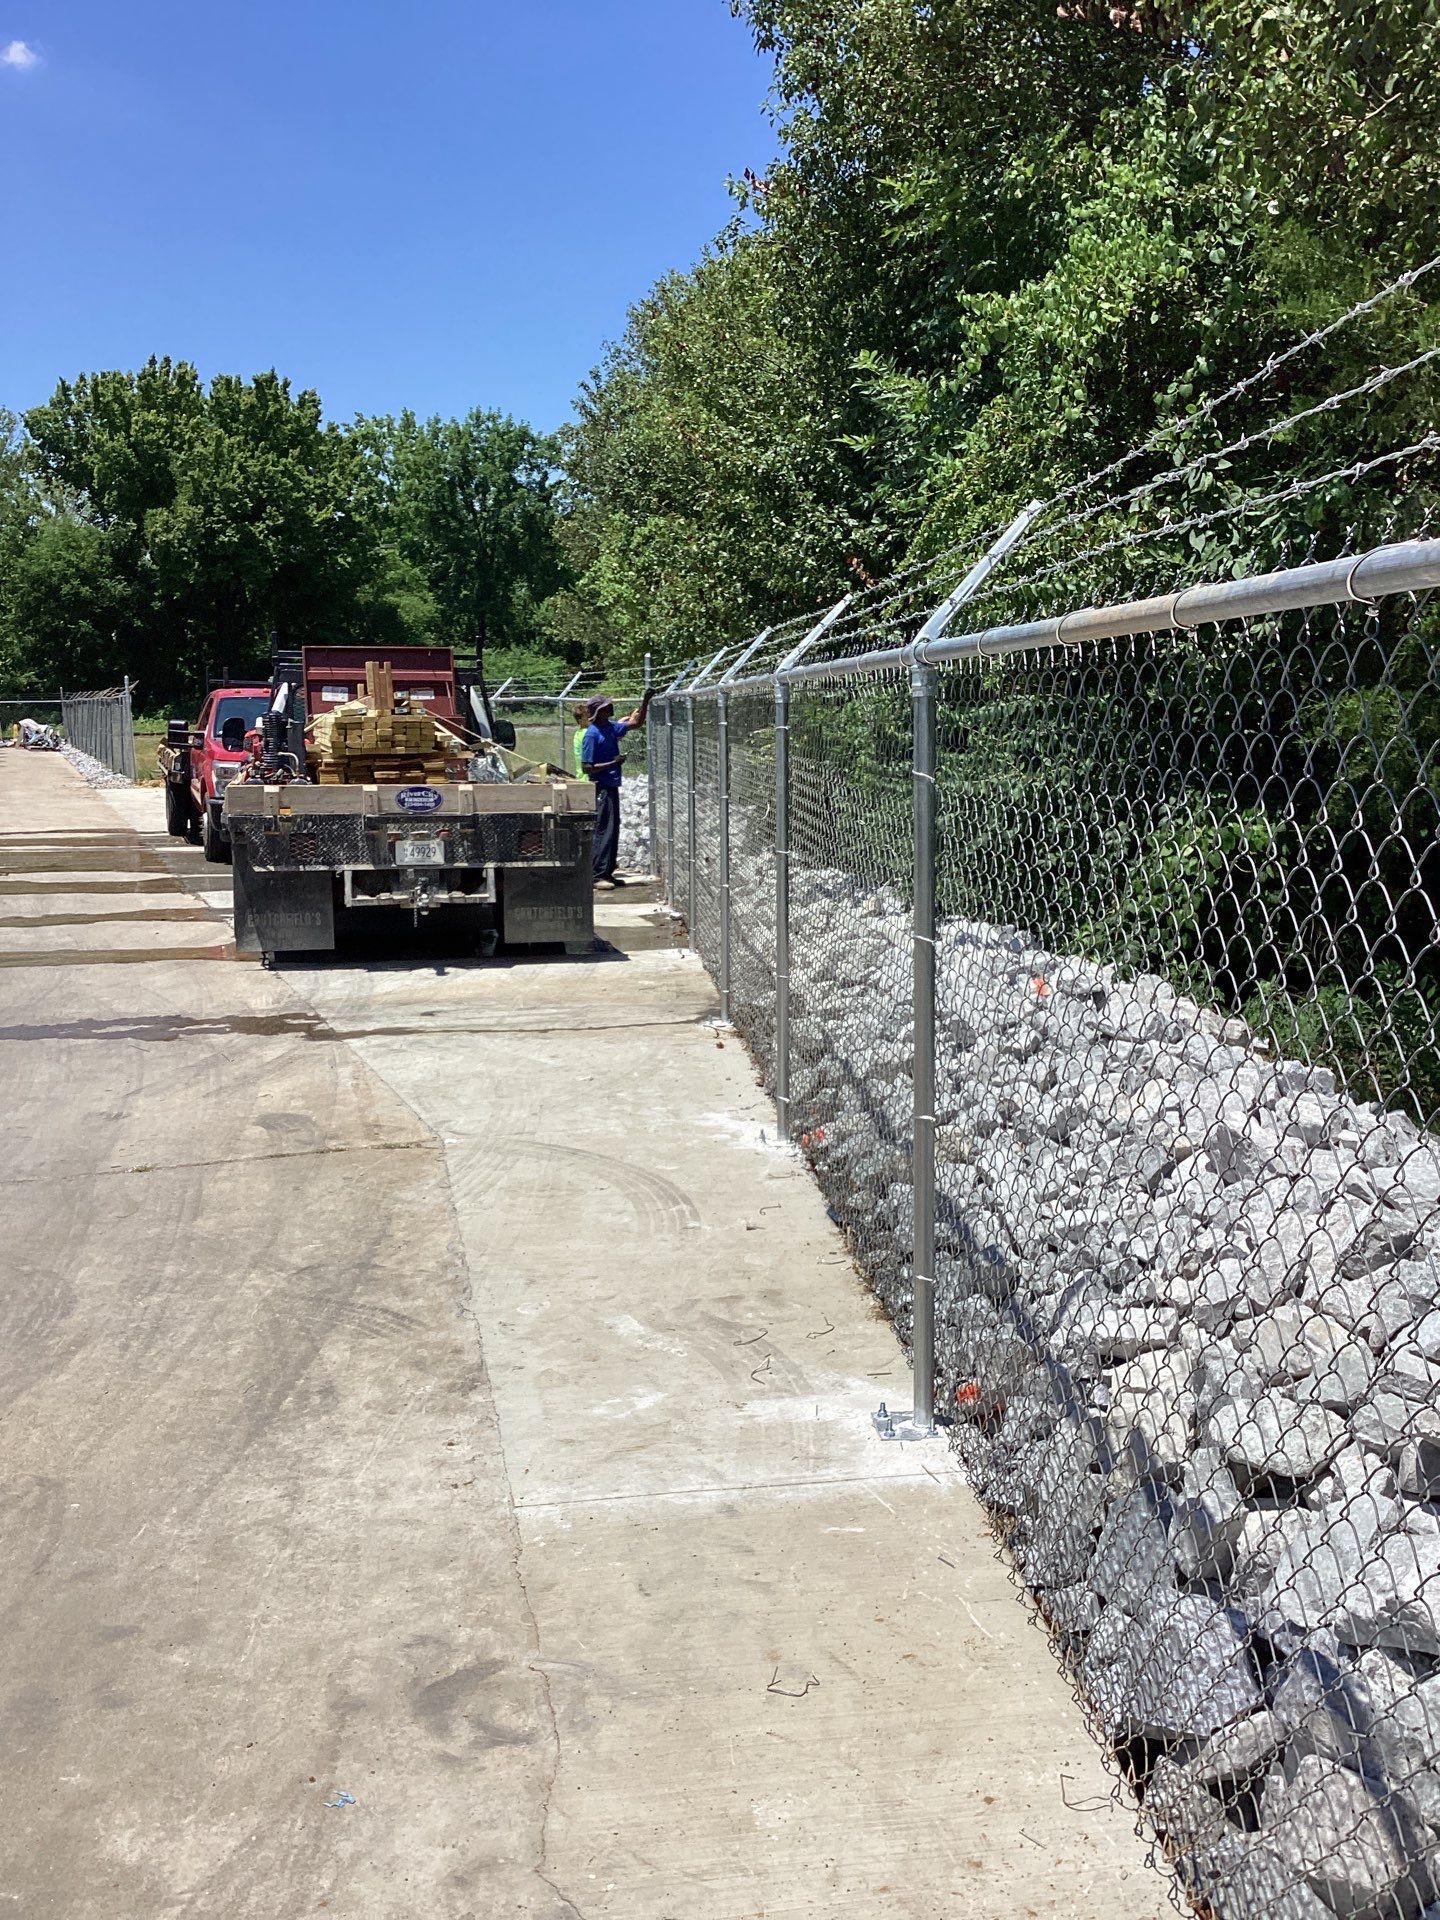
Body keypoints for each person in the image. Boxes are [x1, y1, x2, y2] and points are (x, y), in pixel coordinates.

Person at [581, 690, 651, 885]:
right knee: (604, 829)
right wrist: (613, 763)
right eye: (607, 706)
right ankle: (598, 874)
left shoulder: (611, 727)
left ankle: (608, 871)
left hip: (612, 785)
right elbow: (586, 767)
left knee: (613, 828)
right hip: (601, 786)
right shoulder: (592, 735)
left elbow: (636, 723)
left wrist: (645, 701)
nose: (611, 708)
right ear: (599, 711)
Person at [571, 703, 590, 781]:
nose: (590, 717)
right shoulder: (587, 733)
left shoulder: (579, 732)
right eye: (587, 716)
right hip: (588, 778)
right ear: (580, 720)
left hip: (582, 777)